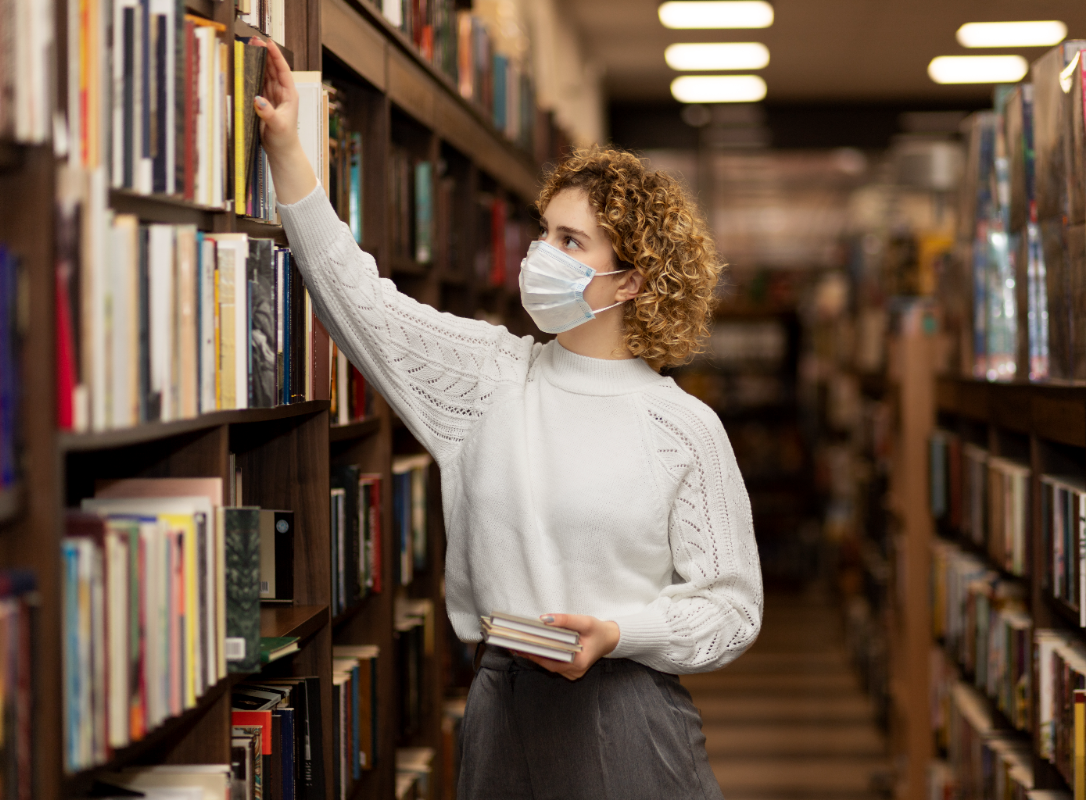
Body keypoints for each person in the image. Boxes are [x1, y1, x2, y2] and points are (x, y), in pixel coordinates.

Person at [252, 37, 762, 800]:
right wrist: (289, 151)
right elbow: (360, 303)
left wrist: (620, 634)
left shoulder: (682, 427)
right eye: (543, 231)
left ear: (629, 283)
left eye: (569, 241)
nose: (538, 255)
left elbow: (732, 609)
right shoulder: (490, 378)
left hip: (627, 712)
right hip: (499, 706)